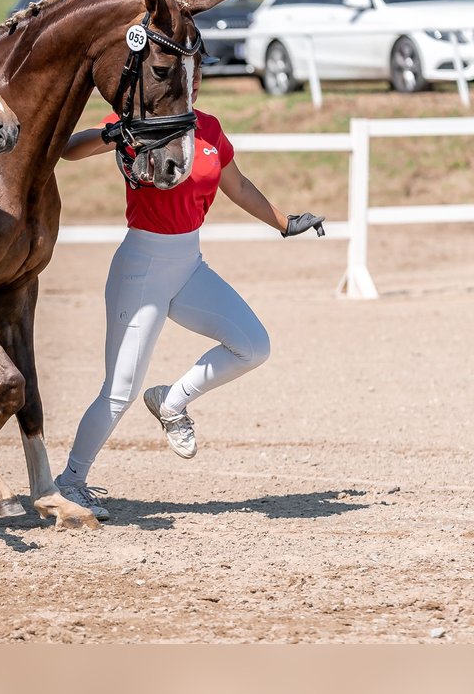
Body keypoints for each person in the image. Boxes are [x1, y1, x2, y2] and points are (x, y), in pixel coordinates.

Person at [53, 66, 325, 521]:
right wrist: (115, 134)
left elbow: (235, 185)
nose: (191, 83)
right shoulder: (140, 121)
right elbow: (67, 150)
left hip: (188, 264)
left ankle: (172, 401)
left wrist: (284, 221)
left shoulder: (210, 128)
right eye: (183, 77)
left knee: (253, 345)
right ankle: (70, 482)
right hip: (141, 267)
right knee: (118, 393)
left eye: (196, 76)